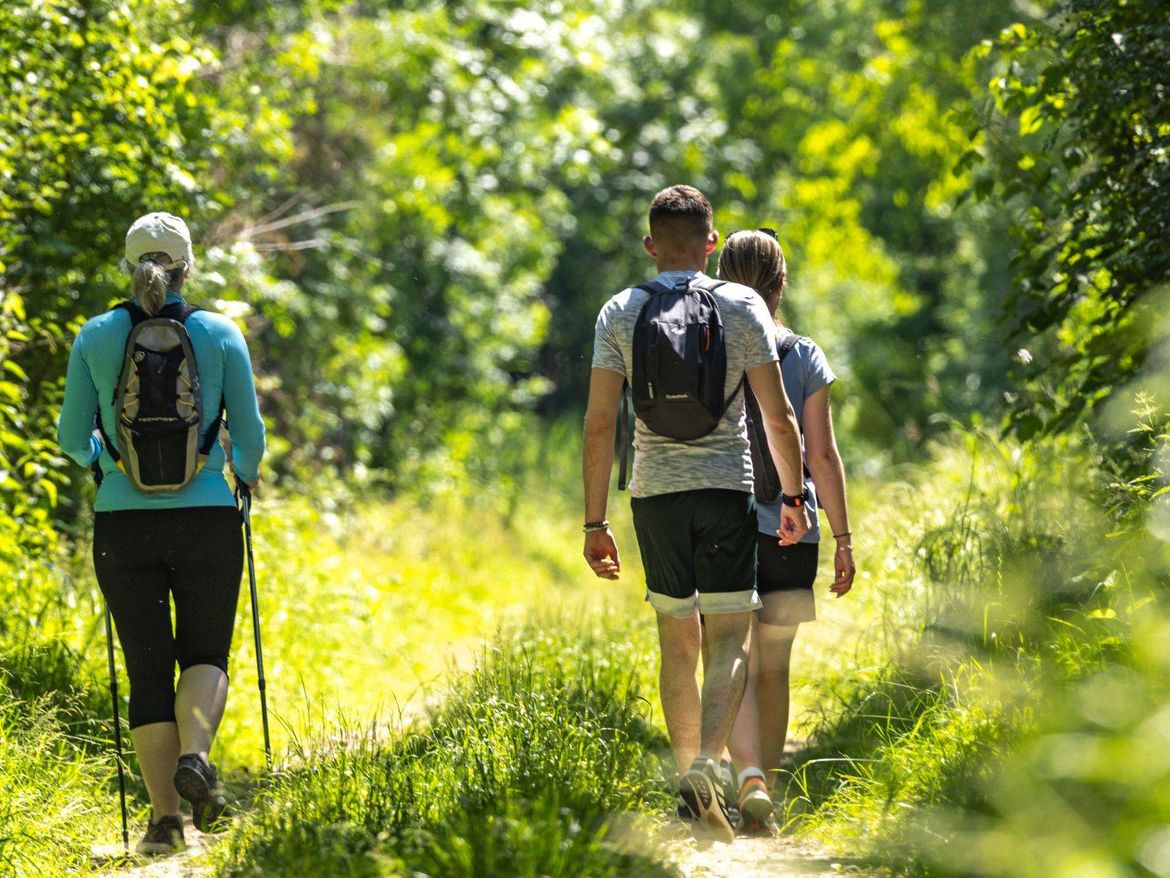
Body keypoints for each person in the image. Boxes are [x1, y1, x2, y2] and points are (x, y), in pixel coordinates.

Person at [582, 185, 811, 843]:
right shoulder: (742, 305)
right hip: (725, 491)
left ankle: (692, 779)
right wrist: (792, 499)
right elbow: (778, 416)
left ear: (651, 245)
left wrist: (595, 523)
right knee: (729, 637)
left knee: (675, 641)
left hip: (654, 495)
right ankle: (711, 760)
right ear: (712, 244)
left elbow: (601, 423)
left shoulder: (619, 311)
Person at [57, 212, 265, 855]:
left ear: (129, 265)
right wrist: (239, 476)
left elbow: (71, 436)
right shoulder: (221, 332)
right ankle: (196, 756)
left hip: (123, 524)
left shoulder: (94, 335)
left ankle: (164, 825)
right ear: (187, 266)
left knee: (147, 668)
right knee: (206, 651)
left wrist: (107, 468)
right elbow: (250, 440)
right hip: (205, 518)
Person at [714, 228, 856, 834]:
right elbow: (820, 455)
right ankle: (763, 790)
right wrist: (844, 538)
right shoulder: (802, 353)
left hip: (721, 523)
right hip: (793, 533)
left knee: (730, 656)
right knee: (774, 664)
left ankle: (744, 777)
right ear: (782, 284)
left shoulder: (704, 349)